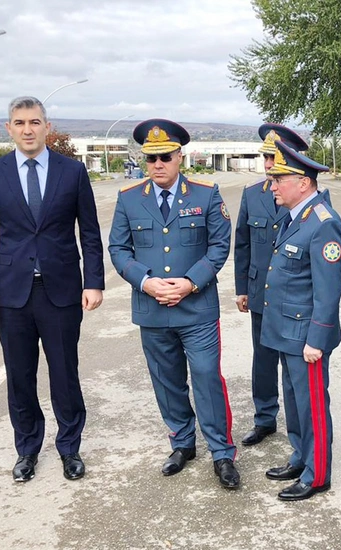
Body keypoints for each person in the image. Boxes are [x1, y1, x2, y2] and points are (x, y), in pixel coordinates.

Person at [0, 96, 104, 482]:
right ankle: (27, 450)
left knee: (65, 373)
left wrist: (93, 281)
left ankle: (69, 449)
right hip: (11, 295)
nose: (27, 129)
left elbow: (90, 233)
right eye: (19, 123)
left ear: (46, 126)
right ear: (8, 129)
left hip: (61, 291)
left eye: (34, 122)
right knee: (19, 376)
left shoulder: (73, 172)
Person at [108, 119, 239, 489]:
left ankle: (221, 452)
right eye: (151, 159)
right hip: (153, 308)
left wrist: (190, 282)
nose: (158, 164)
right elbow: (118, 249)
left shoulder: (206, 194)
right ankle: (182, 443)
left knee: (206, 376)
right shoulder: (129, 197)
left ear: (180, 156)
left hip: (196, 308)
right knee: (166, 381)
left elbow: (218, 246)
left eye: (165, 156)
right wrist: (146, 282)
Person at [259, 139, 341, 501]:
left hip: (305, 336)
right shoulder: (297, 217)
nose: (273, 184)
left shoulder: (323, 224)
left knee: (311, 405)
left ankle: (317, 474)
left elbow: (328, 292)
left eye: (280, 178)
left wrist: (317, 340)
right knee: (294, 401)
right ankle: (300, 457)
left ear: (304, 183)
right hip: (286, 331)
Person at [234, 123, 308, 446]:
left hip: (290, 298)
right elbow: (243, 244)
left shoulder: (300, 200)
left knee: (291, 365)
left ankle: (299, 425)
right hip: (259, 293)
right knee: (262, 360)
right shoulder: (252, 195)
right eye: (265, 157)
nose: (268, 165)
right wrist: (241, 289)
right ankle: (265, 418)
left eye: (274, 157)